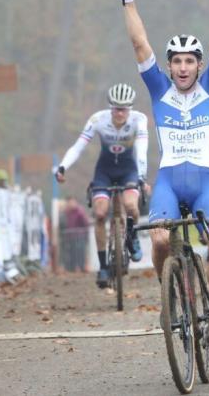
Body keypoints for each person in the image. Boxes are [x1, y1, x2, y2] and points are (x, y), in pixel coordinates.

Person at [118, 0, 209, 347]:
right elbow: (139, 44)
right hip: (169, 179)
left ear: (199, 66)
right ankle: (172, 297)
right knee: (158, 242)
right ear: (168, 67)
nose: (183, 68)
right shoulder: (158, 89)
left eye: (189, 61)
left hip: (204, 182)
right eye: (177, 62)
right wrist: (128, 0)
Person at [55, 83, 149, 288]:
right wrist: (62, 167)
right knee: (99, 214)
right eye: (116, 108)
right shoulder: (98, 119)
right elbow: (79, 146)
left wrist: (142, 177)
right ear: (110, 107)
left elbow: (142, 149)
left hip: (128, 170)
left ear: (130, 108)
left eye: (124, 108)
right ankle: (104, 265)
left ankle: (132, 237)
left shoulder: (138, 120)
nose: (120, 112)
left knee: (131, 206)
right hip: (104, 172)